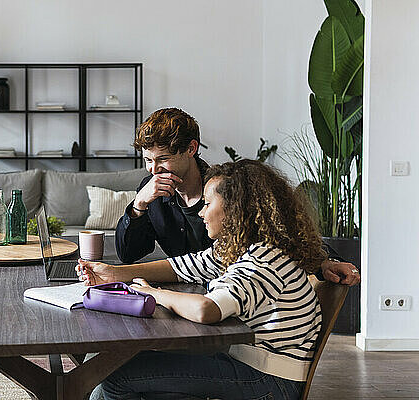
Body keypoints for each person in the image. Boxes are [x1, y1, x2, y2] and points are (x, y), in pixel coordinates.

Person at [78, 160, 333, 399]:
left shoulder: (261, 260)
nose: (201, 212)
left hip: (268, 380)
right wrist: (111, 273)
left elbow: (205, 309)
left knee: (113, 377)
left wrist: (154, 293)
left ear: (235, 210)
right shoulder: (245, 247)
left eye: (208, 204)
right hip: (252, 361)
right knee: (128, 366)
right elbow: (183, 266)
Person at [115, 107, 360, 285]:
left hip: (235, 302)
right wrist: (138, 206)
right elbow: (128, 255)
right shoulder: (150, 191)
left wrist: (325, 262)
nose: (153, 169)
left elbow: (281, 231)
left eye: (163, 159)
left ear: (191, 149)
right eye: (148, 160)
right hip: (186, 295)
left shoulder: (227, 188)